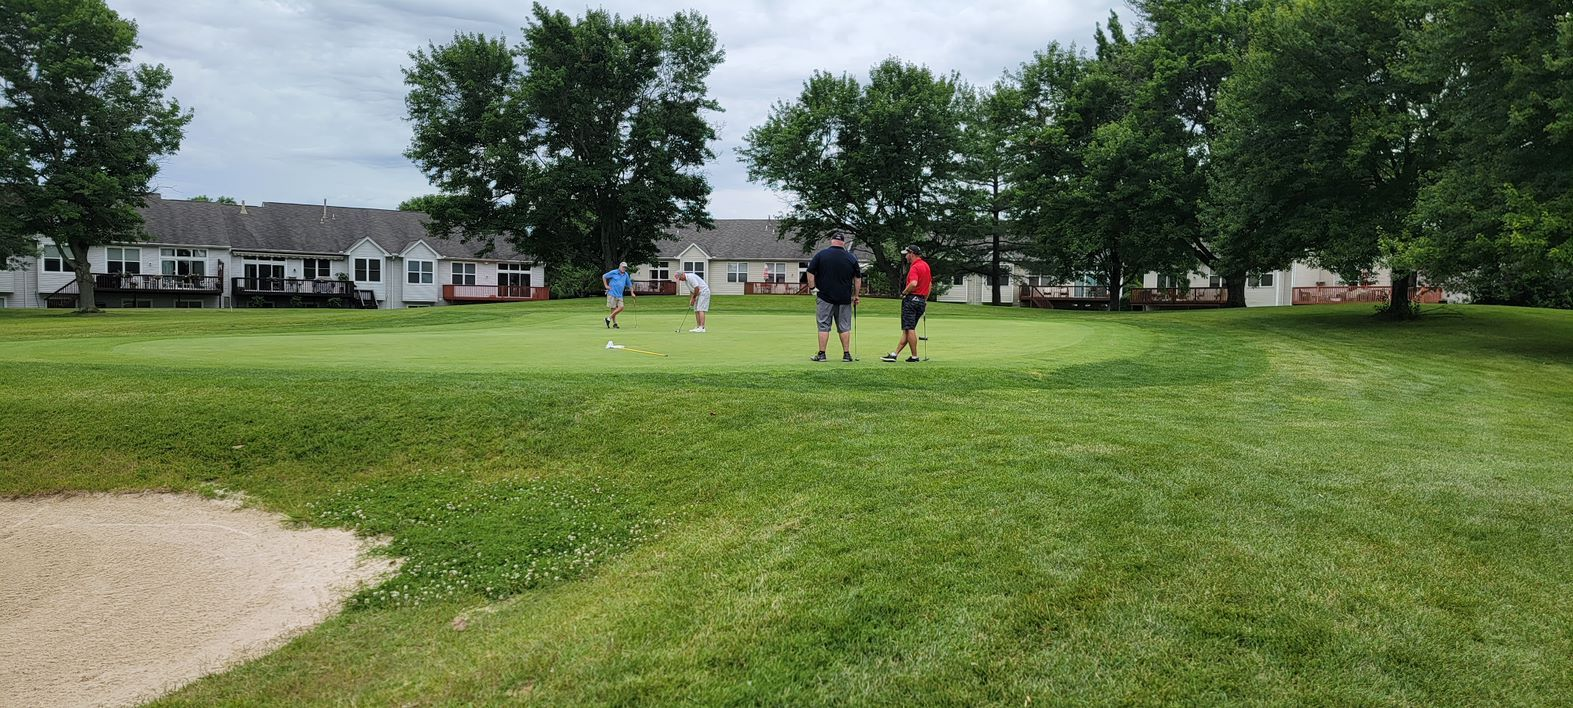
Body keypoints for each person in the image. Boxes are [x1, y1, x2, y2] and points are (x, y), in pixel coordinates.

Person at [805, 235, 861, 362]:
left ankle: (822, 354)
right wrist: (856, 295)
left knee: (823, 326)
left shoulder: (821, 255)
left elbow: (810, 272)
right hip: (844, 298)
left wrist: (813, 288)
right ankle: (846, 354)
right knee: (844, 327)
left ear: (832, 241)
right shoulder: (851, 257)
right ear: (843, 243)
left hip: (825, 296)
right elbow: (857, 278)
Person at [882, 245, 931, 362]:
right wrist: (924, 300)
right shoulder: (925, 266)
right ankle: (895, 354)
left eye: (907, 254)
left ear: (912, 254)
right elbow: (929, 285)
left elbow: (913, 283)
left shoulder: (915, 267)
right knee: (907, 329)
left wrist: (904, 293)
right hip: (921, 301)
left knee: (909, 328)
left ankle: (914, 356)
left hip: (911, 300)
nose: (906, 256)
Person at [602, 261, 636, 329]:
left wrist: (632, 293)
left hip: (619, 295)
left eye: (625, 267)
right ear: (620, 266)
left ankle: (608, 318)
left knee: (621, 307)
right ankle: (615, 324)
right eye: (623, 267)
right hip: (612, 293)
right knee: (613, 308)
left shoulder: (626, 274)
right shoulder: (614, 272)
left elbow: (629, 284)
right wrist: (606, 285)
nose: (624, 268)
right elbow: (604, 276)